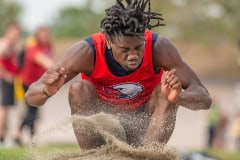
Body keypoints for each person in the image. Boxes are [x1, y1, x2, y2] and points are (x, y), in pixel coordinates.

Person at [25, 0, 212, 150]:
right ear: (108, 42)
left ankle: (148, 156)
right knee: (78, 89)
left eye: (139, 47)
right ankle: (95, 157)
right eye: (124, 49)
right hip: (105, 125)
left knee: (167, 93)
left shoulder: (159, 47)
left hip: (144, 125)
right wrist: (47, 90)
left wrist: (180, 97)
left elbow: (205, 99)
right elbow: (30, 97)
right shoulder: (86, 52)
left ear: (144, 37)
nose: (133, 55)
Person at [14, 26, 54, 145]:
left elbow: (49, 58)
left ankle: (20, 133)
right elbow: (42, 60)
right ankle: (31, 139)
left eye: (47, 34)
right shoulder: (32, 46)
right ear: (38, 35)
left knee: (32, 111)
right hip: (27, 83)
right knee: (32, 111)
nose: (45, 37)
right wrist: (57, 68)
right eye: (43, 34)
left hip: (39, 83)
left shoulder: (48, 46)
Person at [0, 21, 21, 146]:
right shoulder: (5, 44)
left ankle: (5, 137)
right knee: (4, 109)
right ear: (8, 32)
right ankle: (1, 139)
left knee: (8, 109)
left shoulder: (12, 45)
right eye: (15, 33)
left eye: (18, 34)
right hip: (5, 80)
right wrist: (5, 74)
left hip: (12, 80)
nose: (17, 36)